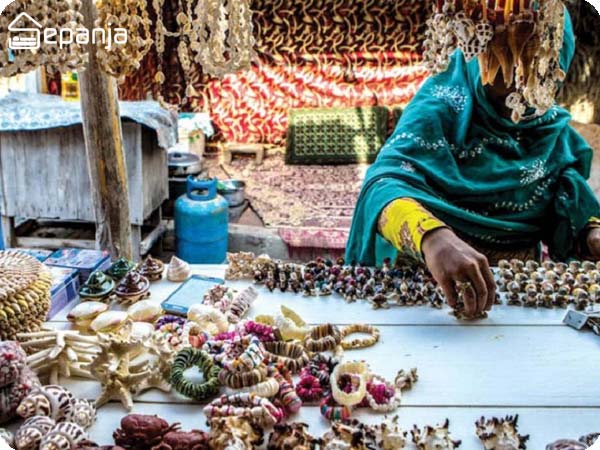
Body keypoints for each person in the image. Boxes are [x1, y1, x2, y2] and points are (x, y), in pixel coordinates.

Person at [346, 3, 600, 318]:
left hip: (515, 296)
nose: (517, 96)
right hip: (426, 294)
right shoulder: (441, 106)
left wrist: (590, 235)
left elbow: (567, 203)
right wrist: (432, 237)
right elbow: (382, 187)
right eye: (504, 77)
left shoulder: (550, 132)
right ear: (478, 55)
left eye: (535, 80)